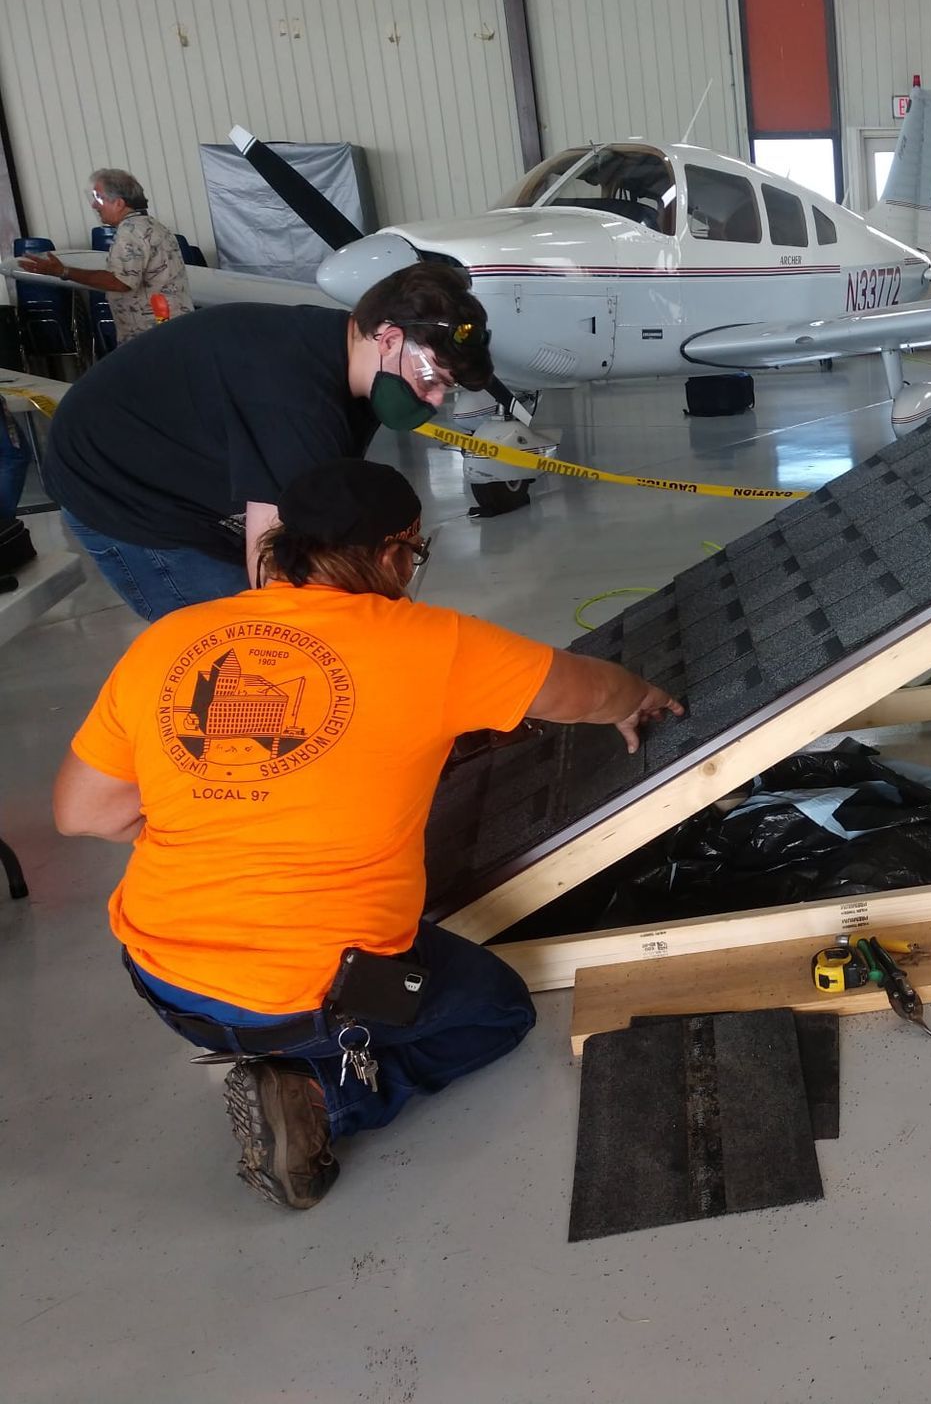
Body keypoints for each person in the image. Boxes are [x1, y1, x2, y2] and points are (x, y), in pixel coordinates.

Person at [52, 458, 683, 1210]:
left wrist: (231, 805)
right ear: (392, 552)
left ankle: (282, 1055)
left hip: (163, 976)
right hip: (313, 993)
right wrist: (636, 694)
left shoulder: (172, 640)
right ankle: (323, 1098)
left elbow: (82, 813)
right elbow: (589, 691)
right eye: (412, 557)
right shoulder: (433, 643)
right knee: (497, 1013)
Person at [40, 261, 489, 621]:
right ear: (389, 338)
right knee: (249, 641)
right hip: (117, 488)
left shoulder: (352, 358)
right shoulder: (294, 400)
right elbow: (270, 565)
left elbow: (321, 504)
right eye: (434, 379)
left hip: (176, 461)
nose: (433, 399)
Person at [15, 168, 193, 342]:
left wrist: (63, 272)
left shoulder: (130, 232)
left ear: (119, 203)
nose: (94, 205)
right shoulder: (153, 225)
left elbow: (120, 282)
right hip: (171, 328)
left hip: (152, 334)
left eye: (99, 198)